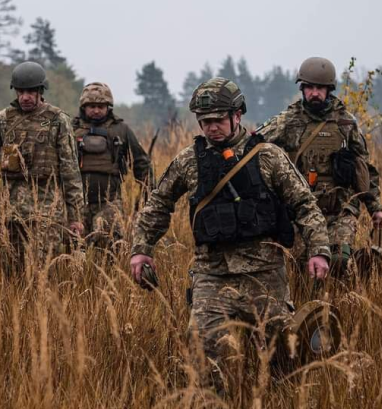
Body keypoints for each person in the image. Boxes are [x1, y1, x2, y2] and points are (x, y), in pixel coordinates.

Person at [129, 78, 331, 394]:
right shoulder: (189, 161)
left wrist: (319, 249)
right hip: (212, 273)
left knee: (283, 354)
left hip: (263, 274)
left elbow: (304, 204)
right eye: (204, 122)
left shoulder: (268, 157)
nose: (211, 128)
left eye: (218, 120)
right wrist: (141, 249)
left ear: (237, 115)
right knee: (200, 346)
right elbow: (158, 203)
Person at [257, 57, 382, 277]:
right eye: (310, 88)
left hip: (340, 209)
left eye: (320, 88)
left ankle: (341, 302)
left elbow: (365, 169)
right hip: (300, 210)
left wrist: (376, 208)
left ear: (329, 90)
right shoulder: (288, 121)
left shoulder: (346, 123)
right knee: (301, 267)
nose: (314, 93)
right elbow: (254, 144)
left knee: (338, 261)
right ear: (303, 89)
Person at [0, 61, 84, 275]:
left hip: (48, 212)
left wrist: (75, 216)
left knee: (46, 275)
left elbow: (70, 170)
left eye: (30, 91)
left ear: (40, 91)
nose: (25, 97)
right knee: (11, 274)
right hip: (11, 212)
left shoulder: (58, 120)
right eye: (21, 91)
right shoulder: (3, 120)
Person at [72, 82, 151, 248]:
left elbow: (141, 162)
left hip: (110, 201)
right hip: (77, 203)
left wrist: (148, 193)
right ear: (83, 107)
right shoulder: (71, 130)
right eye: (92, 106)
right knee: (75, 249)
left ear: (109, 107)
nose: (96, 110)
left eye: (101, 106)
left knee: (110, 248)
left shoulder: (120, 130)